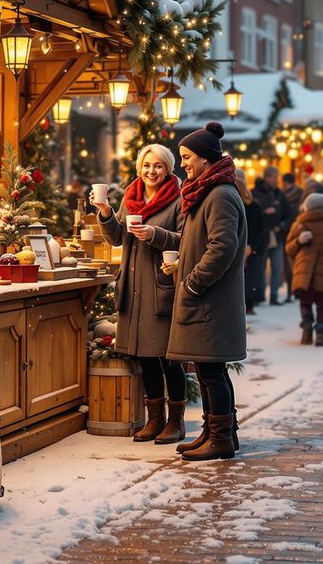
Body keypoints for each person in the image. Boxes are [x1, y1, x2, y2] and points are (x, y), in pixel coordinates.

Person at [157, 122, 247, 462]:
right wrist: (185, 263)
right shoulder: (209, 190)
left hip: (210, 299)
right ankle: (216, 431)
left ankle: (221, 438)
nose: (183, 165)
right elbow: (206, 244)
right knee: (211, 369)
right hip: (207, 298)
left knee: (211, 371)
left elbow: (222, 247)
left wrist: (193, 281)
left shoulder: (220, 194)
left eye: (187, 157)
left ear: (206, 159)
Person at [93, 144, 186, 444]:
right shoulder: (132, 196)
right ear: (139, 168)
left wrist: (155, 234)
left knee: (169, 358)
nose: (151, 171)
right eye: (147, 165)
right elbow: (118, 237)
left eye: (158, 165)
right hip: (134, 291)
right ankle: (154, 419)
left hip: (161, 288)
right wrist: (106, 212)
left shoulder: (179, 198)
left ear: (168, 169)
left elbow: (187, 240)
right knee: (146, 358)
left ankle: (176, 422)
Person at [286, 192, 323, 346]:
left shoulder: (298, 225)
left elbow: (288, 249)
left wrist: (299, 242)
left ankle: (306, 330)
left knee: (305, 302)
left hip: (303, 272)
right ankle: (321, 334)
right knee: (322, 303)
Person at [252, 167, 291, 306]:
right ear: (267, 178)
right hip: (262, 237)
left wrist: (281, 226)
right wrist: (264, 212)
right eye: (275, 177)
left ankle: (274, 296)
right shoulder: (256, 193)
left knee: (276, 267)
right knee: (260, 267)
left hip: (277, 236)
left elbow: (289, 214)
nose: (277, 180)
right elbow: (253, 215)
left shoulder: (280, 194)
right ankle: (259, 296)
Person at [237, 171, 267, 316]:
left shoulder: (252, 204)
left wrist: (251, 246)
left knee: (249, 276)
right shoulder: (251, 203)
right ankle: (247, 303)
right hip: (245, 245)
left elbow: (260, 228)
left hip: (248, 245)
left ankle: (248, 302)